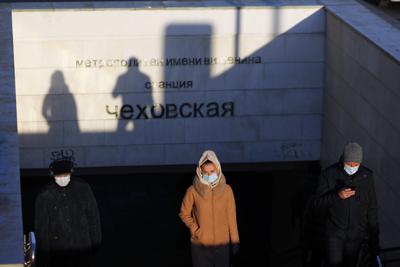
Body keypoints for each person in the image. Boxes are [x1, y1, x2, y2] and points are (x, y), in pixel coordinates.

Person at [314, 143, 379, 267]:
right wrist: (337, 195)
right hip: (335, 232)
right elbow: (317, 204)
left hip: (356, 235)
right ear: (344, 160)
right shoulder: (329, 174)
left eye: (356, 164)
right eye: (350, 164)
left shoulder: (367, 176)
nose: (353, 167)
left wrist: (374, 239)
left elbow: (372, 208)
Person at [35, 159, 101, 267]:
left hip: (82, 245)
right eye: (59, 176)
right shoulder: (45, 195)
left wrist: (96, 242)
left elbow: (93, 216)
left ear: (70, 174)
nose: (62, 179)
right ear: (53, 176)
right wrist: (45, 252)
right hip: (58, 249)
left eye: (65, 175)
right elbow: (42, 225)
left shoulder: (83, 189)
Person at [179, 150, 240, 267]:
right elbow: (184, 213)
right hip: (200, 246)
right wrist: (195, 230)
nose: (209, 175)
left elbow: (232, 218)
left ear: (217, 170)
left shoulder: (227, 191)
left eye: (212, 171)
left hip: (222, 245)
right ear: (200, 172)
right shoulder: (192, 190)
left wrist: (235, 241)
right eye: (205, 172)